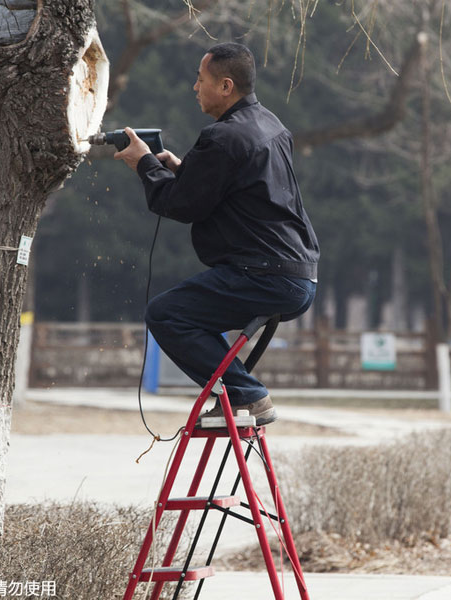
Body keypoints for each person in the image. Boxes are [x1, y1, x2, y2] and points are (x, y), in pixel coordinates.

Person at [114, 42, 319, 427]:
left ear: (226, 86)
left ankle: (247, 395)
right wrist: (180, 169)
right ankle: (237, 394)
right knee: (188, 316)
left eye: (200, 78)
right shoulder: (271, 125)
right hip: (299, 275)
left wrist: (144, 163)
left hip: (263, 274)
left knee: (166, 314)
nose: (195, 87)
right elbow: (237, 192)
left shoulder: (223, 137)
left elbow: (180, 206)